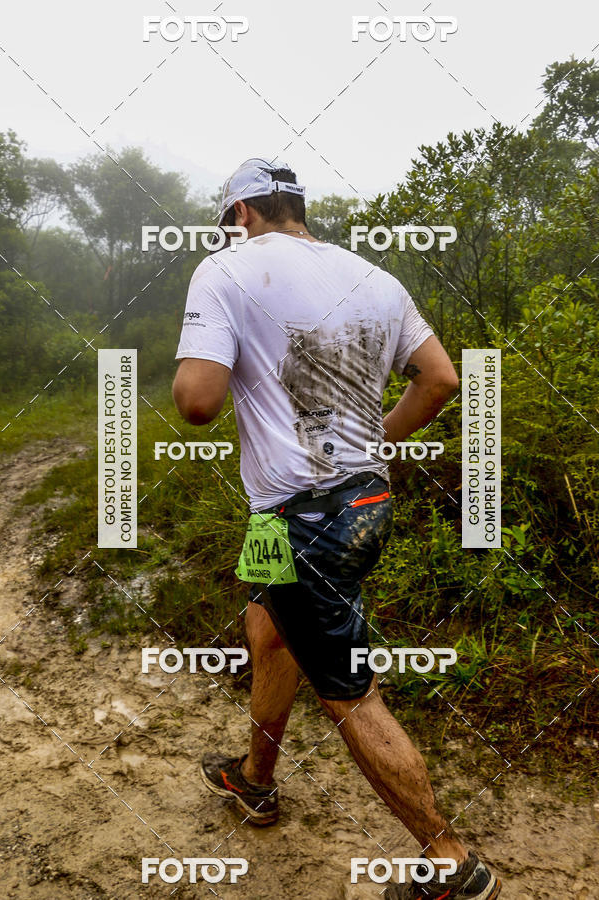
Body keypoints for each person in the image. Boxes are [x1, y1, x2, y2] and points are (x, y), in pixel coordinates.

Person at [172, 157, 501, 899]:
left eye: (228, 222)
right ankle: (255, 780)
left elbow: (197, 401)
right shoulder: (373, 277)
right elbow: (440, 379)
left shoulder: (224, 270)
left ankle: (451, 861)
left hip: (306, 522)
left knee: (349, 690)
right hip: (341, 507)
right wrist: (370, 446)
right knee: (268, 627)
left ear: (241, 214)